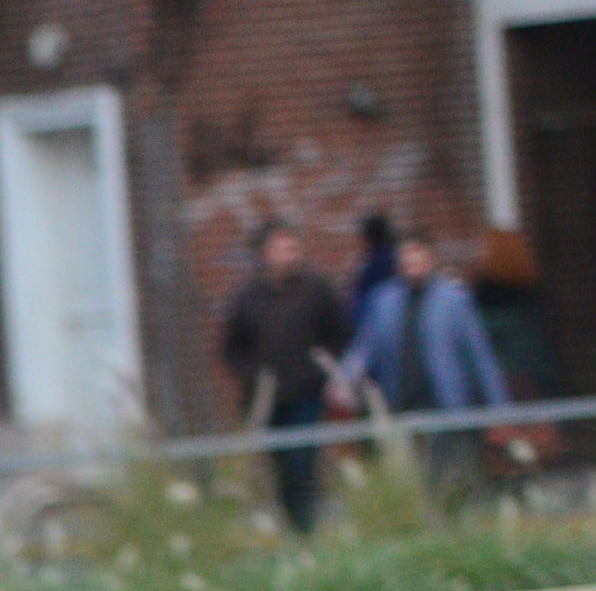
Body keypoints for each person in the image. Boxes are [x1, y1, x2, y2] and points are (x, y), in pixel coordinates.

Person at [349, 233, 511, 497]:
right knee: (412, 481)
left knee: (446, 479)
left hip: (445, 407)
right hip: (402, 406)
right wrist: (346, 378)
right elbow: (365, 346)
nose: (411, 263)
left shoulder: (454, 300)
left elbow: (479, 356)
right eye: (406, 258)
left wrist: (500, 409)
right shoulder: (385, 300)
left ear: (430, 258)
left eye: (417, 257)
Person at [219, 220, 353, 532]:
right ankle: (290, 524)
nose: (290, 254)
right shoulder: (248, 297)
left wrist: (323, 366)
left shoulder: (317, 290)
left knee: (301, 461)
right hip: (266, 399)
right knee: (277, 465)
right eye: (283, 247)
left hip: (306, 394)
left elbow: (340, 332)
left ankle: (305, 527)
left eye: (294, 247)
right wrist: (252, 377)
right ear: (267, 253)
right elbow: (232, 350)